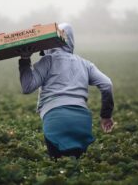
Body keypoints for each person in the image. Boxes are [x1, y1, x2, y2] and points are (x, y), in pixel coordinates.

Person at [18, 23, 114, 160]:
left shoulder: (48, 61)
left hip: (55, 119)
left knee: (58, 166)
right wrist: (106, 115)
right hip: (82, 121)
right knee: (76, 167)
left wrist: (24, 60)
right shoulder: (85, 64)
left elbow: (27, 87)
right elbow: (107, 84)